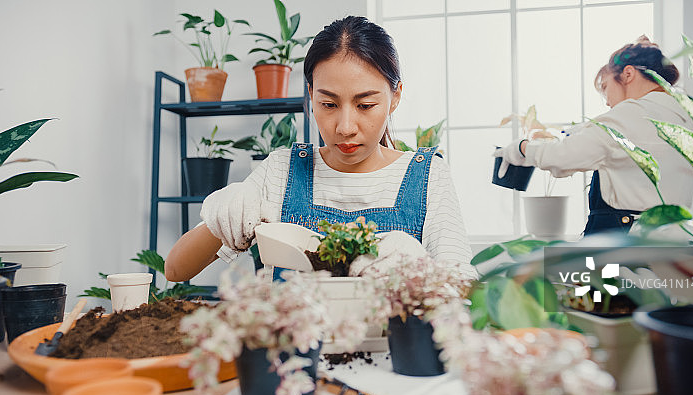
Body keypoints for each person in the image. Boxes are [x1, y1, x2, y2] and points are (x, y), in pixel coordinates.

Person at [165, 16, 476, 282]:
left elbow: (462, 284)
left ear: (395, 97)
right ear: (311, 94)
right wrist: (223, 213)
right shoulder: (282, 170)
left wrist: (420, 272)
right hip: (293, 352)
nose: (345, 127)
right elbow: (176, 269)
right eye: (328, 104)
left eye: (365, 105)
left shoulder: (428, 175)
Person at [495, 36, 693, 236]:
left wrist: (522, 148)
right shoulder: (688, 118)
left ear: (628, 74)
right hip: (675, 247)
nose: (607, 102)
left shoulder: (629, 113)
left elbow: (562, 158)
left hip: (623, 246)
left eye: (605, 87)